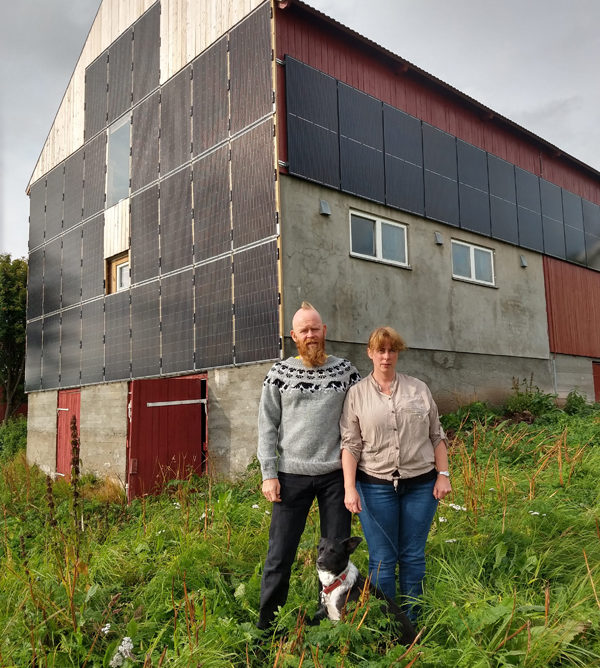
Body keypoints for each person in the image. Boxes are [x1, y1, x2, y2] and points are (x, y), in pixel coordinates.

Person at [257, 301, 360, 630]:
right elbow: (266, 426)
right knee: (279, 556)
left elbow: (360, 421)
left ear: (324, 331)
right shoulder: (279, 373)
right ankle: (267, 627)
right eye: (304, 330)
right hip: (291, 477)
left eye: (316, 328)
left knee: (336, 558)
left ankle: (329, 619)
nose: (311, 335)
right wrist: (268, 474)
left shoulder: (346, 371)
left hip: (335, 477)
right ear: (293, 335)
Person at [340, 326, 451, 623]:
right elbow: (351, 444)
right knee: (383, 559)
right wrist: (350, 488)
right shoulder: (356, 394)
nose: (386, 356)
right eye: (380, 350)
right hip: (375, 487)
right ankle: (388, 624)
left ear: (398, 353)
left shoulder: (419, 389)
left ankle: (413, 621)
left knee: (413, 556)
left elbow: (437, 436)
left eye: (391, 350)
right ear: (370, 353)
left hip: (421, 486)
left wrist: (443, 475)